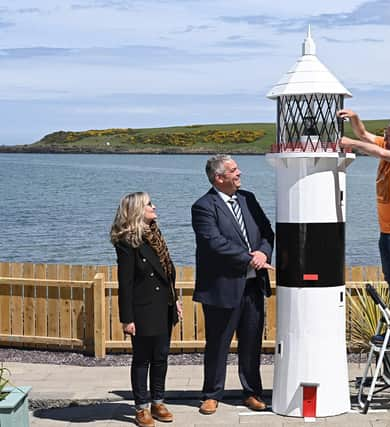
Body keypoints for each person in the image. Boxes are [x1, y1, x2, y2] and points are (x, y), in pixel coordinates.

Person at [191, 154, 274, 415]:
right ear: (219, 177)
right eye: (234, 170)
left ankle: (252, 393)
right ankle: (211, 395)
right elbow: (213, 243)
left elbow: (267, 231)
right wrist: (251, 259)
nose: (240, 173)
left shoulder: (248, 199)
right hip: (221, 288)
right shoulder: (203, 206)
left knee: (251, 343)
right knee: (218, 344)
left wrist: (264, 253)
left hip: (253, 287)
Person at [338, 109, 390, 345]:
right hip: (387, 228)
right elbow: (366, 136)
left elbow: (376, 150)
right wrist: (354, 118)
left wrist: (350, 143)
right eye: (386, 132)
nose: (385, 137)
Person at [110, 192, 182, 427]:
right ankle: (141, 407)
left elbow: (167, 273)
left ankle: (158, 402)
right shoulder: (127, 242)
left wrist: (175, 300)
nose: (154, 206)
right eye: (149, 204)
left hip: (164, 305)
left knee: (161, 357)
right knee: (142, 359)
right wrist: (127, 318)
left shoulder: (155, 234)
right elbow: (126, 283)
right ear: (137, 210)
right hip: (142, 309)